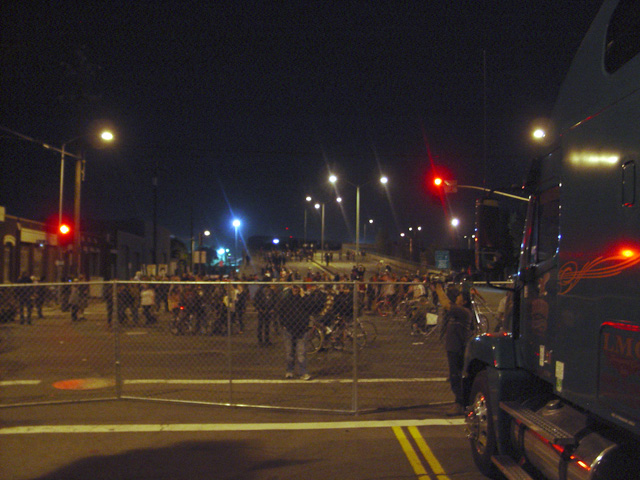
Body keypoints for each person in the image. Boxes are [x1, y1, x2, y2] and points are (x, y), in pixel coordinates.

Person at [435, 282, 473, 416]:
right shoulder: (459, 311)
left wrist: (438, 289)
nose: (457, 298)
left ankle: (460, 404)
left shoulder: (463, 311)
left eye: (459, 297)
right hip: (453, 348)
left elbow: (446, 304)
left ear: (464, 301)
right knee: (454, 375)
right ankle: (461, 402)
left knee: (457, 376)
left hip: (458, 348)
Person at [277, 284, 322, 380]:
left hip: (302, 329)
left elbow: (313, 308)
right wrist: (283, 324)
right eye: (294, 287)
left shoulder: (304, 298)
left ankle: (303, 372)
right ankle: (289, 371)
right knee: (289, 353)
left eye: (297, 287)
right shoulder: (286, 298)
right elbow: (280, 311)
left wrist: (304, 296)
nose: (295, 289)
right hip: (289, 328)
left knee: (301, 353)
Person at [254, 279, 276, 346]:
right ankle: (261, 340)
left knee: (266, 326)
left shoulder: (271, 291)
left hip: (268, 310)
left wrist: (273, 308)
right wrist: (259, 308)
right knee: (261, 326)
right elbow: (256, 301)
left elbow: (275, 300)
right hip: (262, 310)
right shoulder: (260, 292)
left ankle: (266, 340)